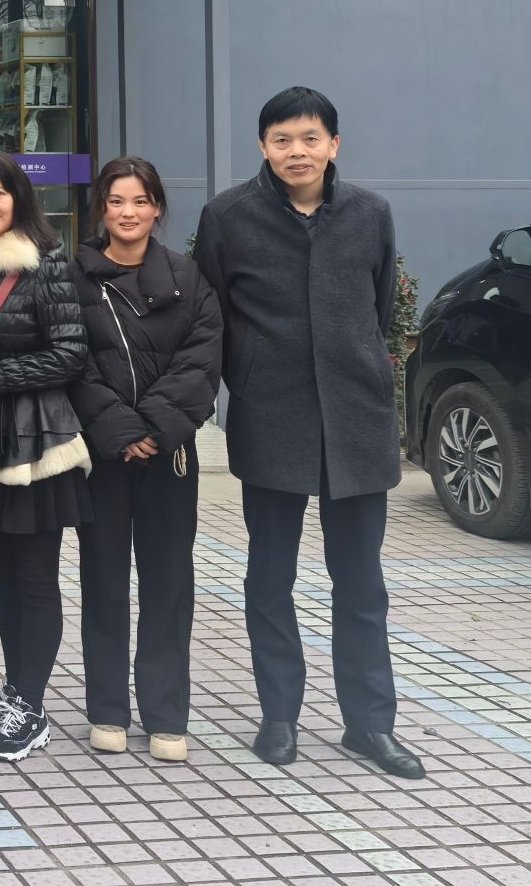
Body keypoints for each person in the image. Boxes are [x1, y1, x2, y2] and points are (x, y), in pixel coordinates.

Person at [192, 87, 423, 780]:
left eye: (310, 138)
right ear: (263, 146)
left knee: (361, 584)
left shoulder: (369, 214)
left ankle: (369, 724)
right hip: (272, 418)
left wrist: (363, 368)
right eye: (283, 139)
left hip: (356, 420)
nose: (298, 151)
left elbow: (377, 309)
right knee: (270, 577)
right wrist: (238, 385)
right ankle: (280, 716)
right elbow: (211, 320)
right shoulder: (228, 217)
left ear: (334, 144)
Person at [68, 156, 222, 765]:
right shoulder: (74, 277)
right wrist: (120, 430)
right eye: (116, 201)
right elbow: (71, 362)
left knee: (168, 585)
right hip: (103, 457)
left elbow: (202, 360)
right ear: (101, 209)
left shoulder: (189, 277)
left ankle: (165, 713)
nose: (127, 213)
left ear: (157, 208)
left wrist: (154, 429)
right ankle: (107, 709)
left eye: (140, 201)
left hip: (170, 457)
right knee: (102, 581)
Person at [0, 149, 91, 764]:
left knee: (33, 577)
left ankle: (31, 706)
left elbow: (70, 354)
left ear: (18, 198)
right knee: (3, 576)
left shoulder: (46, 262)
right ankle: (15, 692)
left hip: (35, 440)